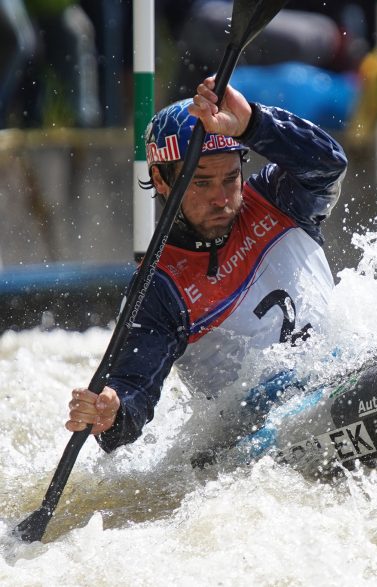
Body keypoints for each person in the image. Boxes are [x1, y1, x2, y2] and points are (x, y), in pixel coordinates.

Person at [64, 76, 348, 454]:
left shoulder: (278, 199)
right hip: (262, 438)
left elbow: (329, 165)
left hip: (342, 374)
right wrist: (111, 412)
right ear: (160, 181)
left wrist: (254, 125)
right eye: (201, 183)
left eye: (230, 179)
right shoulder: (159, 287)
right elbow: (133, 396)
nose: (222, 199)